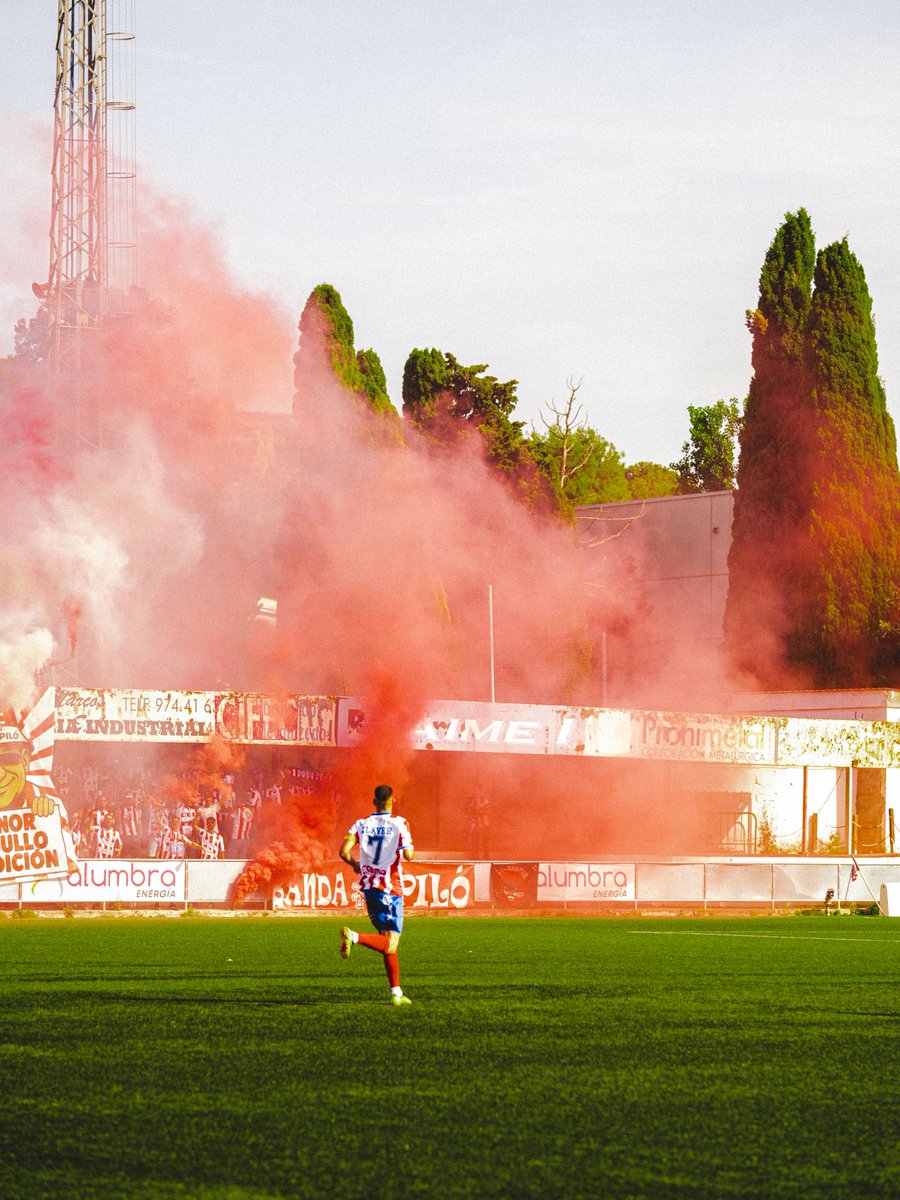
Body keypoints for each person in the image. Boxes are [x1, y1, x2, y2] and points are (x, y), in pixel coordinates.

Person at [338, 784, 415, 1006]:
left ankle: (396, 992)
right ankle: (354, 936)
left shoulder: (361, 824)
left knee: (387, 942)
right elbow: (409, 855)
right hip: (391, 890)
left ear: (374, 802)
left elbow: (343, 852)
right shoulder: (400, 823)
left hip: (369, 889)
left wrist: (355, 864)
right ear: (393, 800)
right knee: (390, 944)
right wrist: (406, 845)